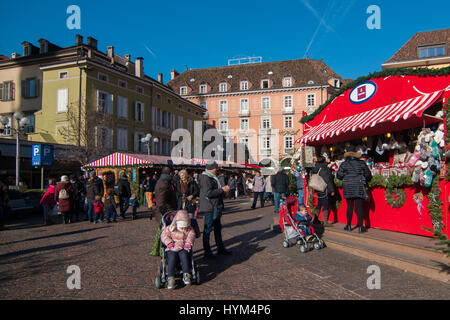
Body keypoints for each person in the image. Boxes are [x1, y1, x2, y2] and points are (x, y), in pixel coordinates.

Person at [336, 145, 372, 233]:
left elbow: (339, 175)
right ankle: (360, 227)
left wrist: (346, 177)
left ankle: (348, 225)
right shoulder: (361, 163)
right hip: (359, 186)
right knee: (359, 207)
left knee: (349, 207)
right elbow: (368, 175)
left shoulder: (344, 164)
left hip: (348, 186)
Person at [198, 161, 231, 259]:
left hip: (215, 205)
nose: (217, 169)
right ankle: (207, 251)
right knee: (208, 229)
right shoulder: (205, 178)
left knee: (217, 228)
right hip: (210, 206)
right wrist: (222, 190)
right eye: (216, 168)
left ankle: (220, 248)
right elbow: (208, 193)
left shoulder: (212, 177)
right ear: (212, 168)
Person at [160, 210, 196, 289]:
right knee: (171, 258)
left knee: (184, 256)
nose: (183, 228)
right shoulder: (170, 228)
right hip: (172, 247)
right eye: (181, 226)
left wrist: (188, 243)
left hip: (183, 246)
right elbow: (164, 235)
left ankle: (186, 274)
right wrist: (168, 242)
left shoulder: (189, 229)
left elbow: (191, 235)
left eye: (184, 226)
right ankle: (170, 277)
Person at [311, 156, 335, 226]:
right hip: (324, 188)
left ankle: (314, 219)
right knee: (325, 204)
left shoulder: (316, 167)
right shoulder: (324, 169)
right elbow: (327, 180)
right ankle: (325, 221)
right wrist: (332, 190)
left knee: (319, 203)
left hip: (318, 188)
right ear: (324, 161)